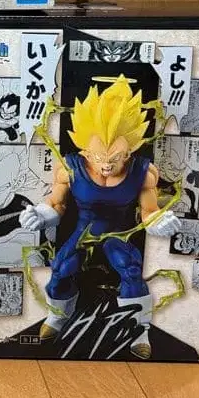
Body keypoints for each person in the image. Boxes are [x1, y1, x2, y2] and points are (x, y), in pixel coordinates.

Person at [19, 75, 181, 359]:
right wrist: (39, 215)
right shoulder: (70, 168)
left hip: (118, 233)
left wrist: (158, 221)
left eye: (115, 158)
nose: (106, 165)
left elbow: (148, 211)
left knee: (129, 269)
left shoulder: (143, 172)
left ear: (128, 152)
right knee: (62, 267)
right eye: (98, 157)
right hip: (84, 229)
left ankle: (138, 329)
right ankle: (58, 315)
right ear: (85, 150)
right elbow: (56, 205)